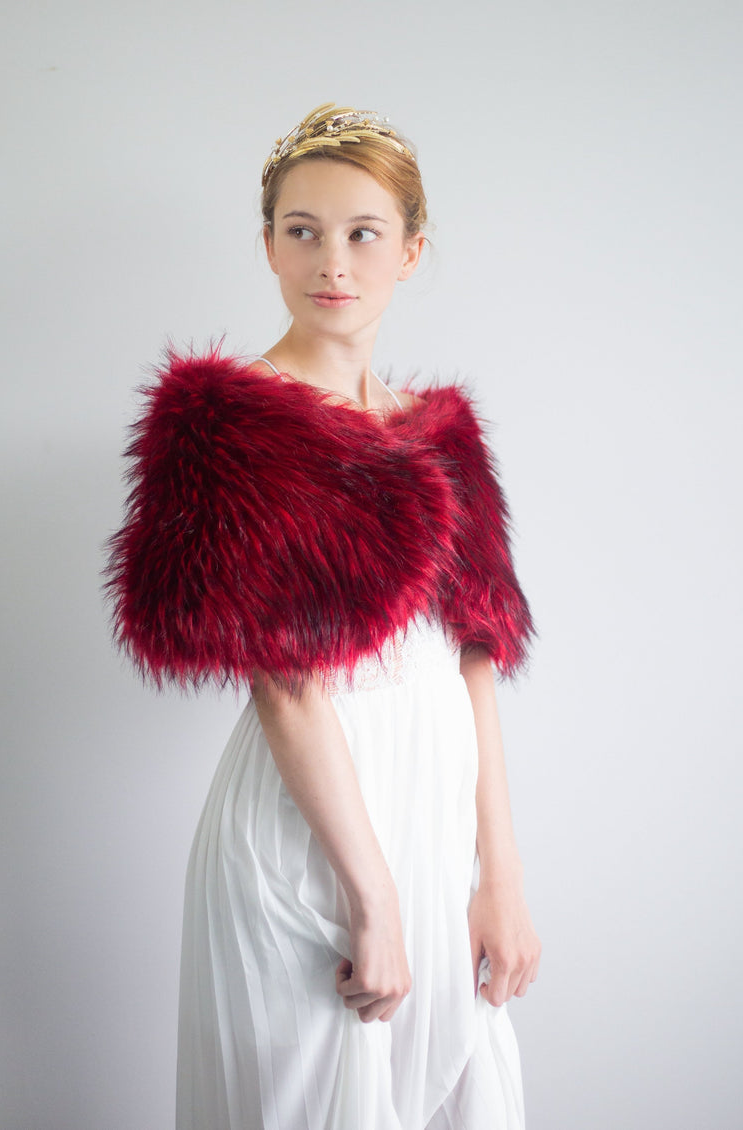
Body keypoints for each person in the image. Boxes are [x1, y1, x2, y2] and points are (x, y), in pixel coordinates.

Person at [107, 103, 541, 1130]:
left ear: (411, 250)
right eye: (301, 230)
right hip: (307, 836)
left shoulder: (441, 435)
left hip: (432, 823)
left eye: (362, 233)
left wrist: (500, 878)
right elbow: (286, 686)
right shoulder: (227, 426)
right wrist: (372, 899)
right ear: (267, 244)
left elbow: (473, 659)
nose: (331, 262)